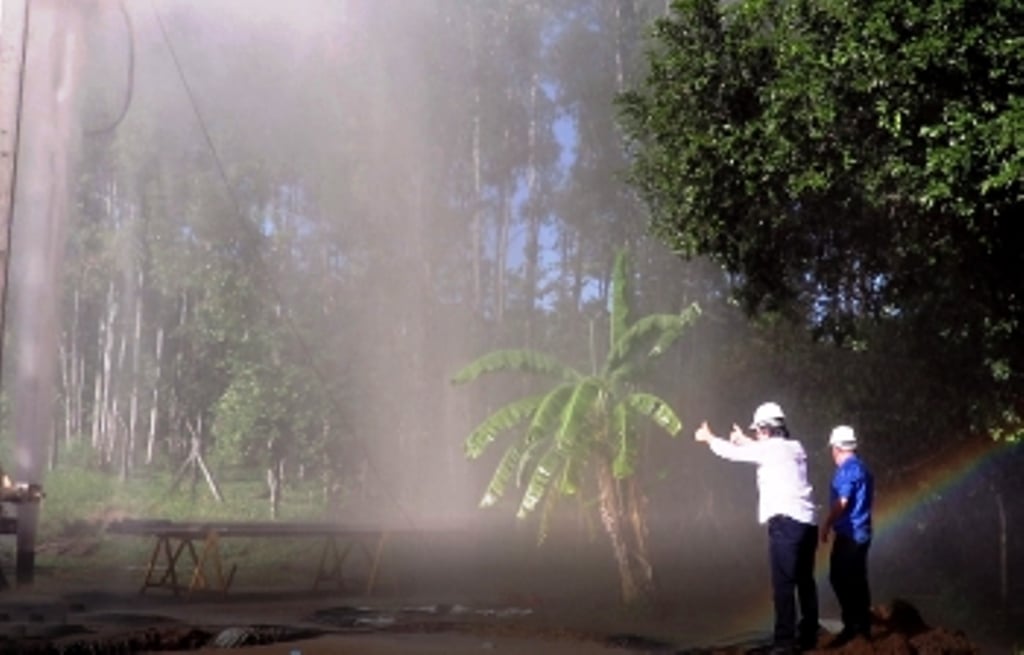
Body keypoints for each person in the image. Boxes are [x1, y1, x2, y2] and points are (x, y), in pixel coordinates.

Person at [695, 402, 819, 653]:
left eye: (758, 430)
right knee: (805, 580)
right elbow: (766, 450)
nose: (757, 434)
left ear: (764, 428)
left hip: (785, 524)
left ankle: (785, 642)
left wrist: (709, 438)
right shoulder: (795, 447)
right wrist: (744, 439)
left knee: (783, 583)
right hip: (808, 523)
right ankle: (809, 633)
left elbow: (732, 453)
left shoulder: (769, 450)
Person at [820, 425, 874, 645]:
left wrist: (826, 524)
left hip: (849, 533)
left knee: (839, 577)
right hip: (863, 531)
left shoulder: (847, 470)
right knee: (857, 579)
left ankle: (854, 626)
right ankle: (862, 626)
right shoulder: (864, 468)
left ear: (836, 448)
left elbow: (842, 502)